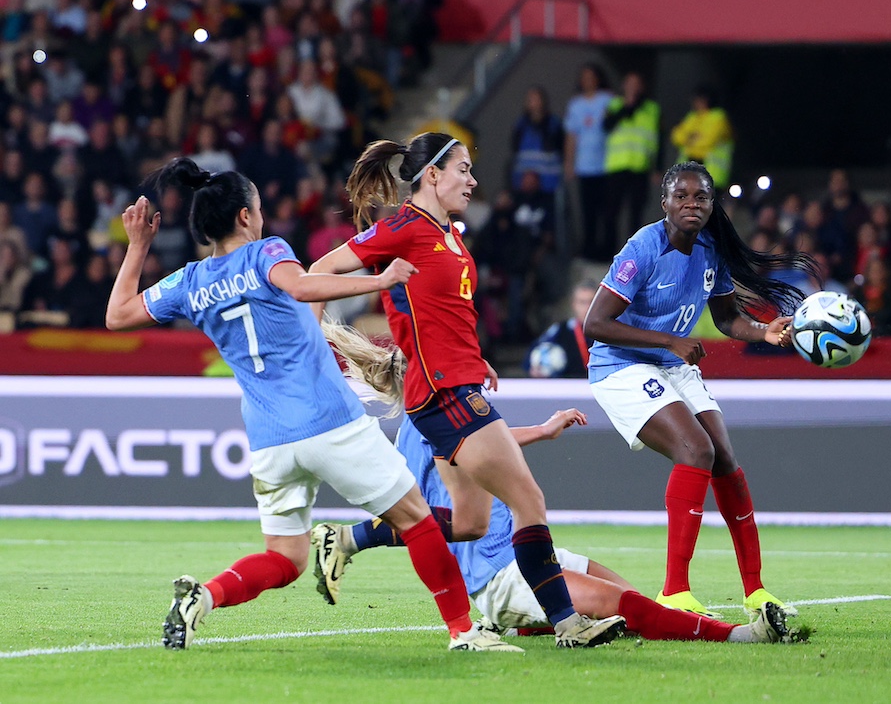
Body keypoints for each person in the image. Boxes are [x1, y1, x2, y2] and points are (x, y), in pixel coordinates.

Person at [101, 158, 514, 653]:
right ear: (244, 218)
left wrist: (139, 247)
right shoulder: (266, 253)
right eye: (257, 208)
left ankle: (204, 598)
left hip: (270, 441)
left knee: (286, 558)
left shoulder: (189, 282)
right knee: (418, 520)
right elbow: (300, 286)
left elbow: (118, 315)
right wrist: (379, 281)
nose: (261, 216)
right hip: (329, 422)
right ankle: (464, 633)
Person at [307, 133, 625, 649]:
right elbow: (320, 271)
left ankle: (346, 538)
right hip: (443, 394)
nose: (473, 180)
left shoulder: (449, 233)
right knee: (529, 501)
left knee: (472, 523)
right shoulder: (404, 228)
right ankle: (569, 624)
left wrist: (476, 359)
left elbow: (448, 310)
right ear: (431, 175)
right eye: (462, 169)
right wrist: (313, 358)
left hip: (458, 384)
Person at [320, 333, 802, 644]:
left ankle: (532, 620)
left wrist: (543, 430)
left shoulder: (447, 417)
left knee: (637, 605)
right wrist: (363, 535)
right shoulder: (425, 425)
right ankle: (740, 636)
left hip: (528, 554)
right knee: (628, 607)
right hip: (502, 573)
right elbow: (422, 512)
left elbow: (491, 444)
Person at [582, 161, 814, 618]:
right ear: (665, 203)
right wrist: (670, 340)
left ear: (712, 204)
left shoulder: (710, 247)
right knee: (695, 450)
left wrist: (764, 331)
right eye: (682, 196)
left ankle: (755, 591)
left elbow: (727, 319)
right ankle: (674, 591)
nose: (692, 204)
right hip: (621, 366)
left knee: (724, 458)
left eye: (701, 197)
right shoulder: (643, 248)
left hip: (672, 364)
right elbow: (595, 324)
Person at [603, 71, 659, 249]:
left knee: (637, 212)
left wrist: (656, 167)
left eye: (637, 84)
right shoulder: (614, 104)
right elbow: (607, 126)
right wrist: (627, 107)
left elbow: (658, 139)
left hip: (640, 167)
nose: (633, 88)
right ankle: (609, 250)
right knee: (611, 210)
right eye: (629, 83)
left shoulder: (651, 109)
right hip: (617, 166)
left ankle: (635, 251)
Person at [564, 64, 615, 262]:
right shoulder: (576, 105)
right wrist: (569, 162)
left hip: (606, 164)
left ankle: (607, 250)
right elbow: (572, 135)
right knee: (588, 211)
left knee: (607, 211)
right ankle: (589, 248)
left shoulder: (608, 100)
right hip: (585, 166)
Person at [526, 281, 595, 378]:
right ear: (574, 304)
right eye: (582, 302)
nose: (587, 308)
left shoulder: (608, 332)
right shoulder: (561, 330)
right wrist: (534, 367)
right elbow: (535, 351)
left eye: (591, 302)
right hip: (568, 387)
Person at [670, 85, 733, 188]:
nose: (696, 103)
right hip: (689, 174)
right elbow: (676, 136)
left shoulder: (719, 118)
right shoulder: (693, 117)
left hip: (712, 173)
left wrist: (689, 139)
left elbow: (708, 141)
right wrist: (694, 138)